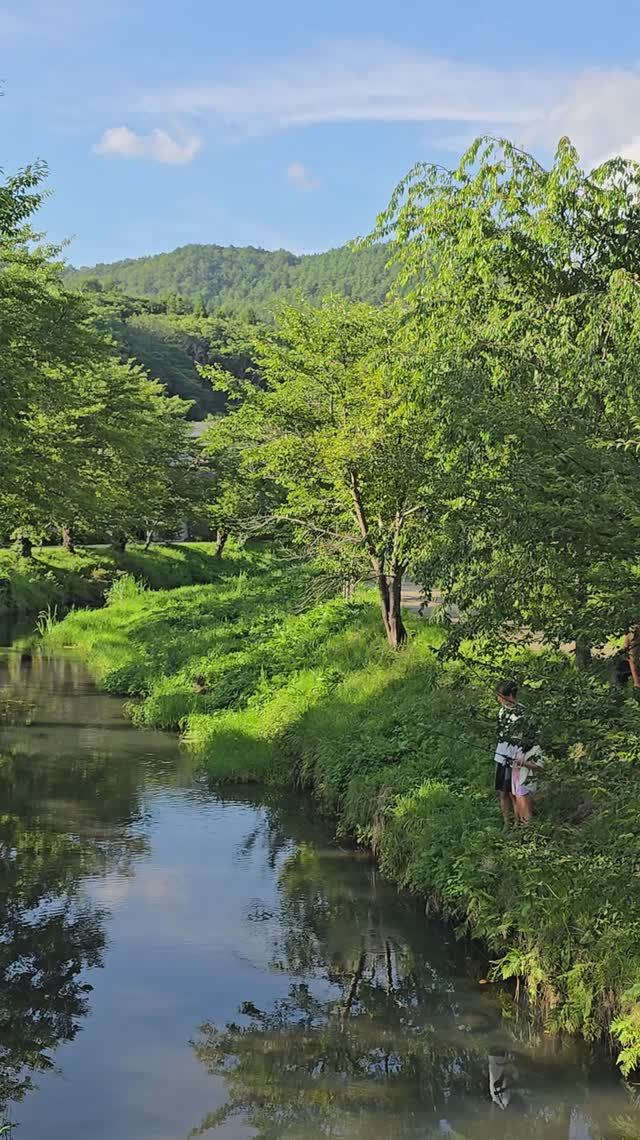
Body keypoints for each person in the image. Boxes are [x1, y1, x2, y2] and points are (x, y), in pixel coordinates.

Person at [494, 680, 544, 826]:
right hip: (500, 757)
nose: (499, 699)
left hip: (516, 759)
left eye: (501, 696)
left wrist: (522, 758)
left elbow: (529, 738)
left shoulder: (522, 713)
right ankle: (506, 822)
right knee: (503, 792)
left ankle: (518, 823)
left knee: (515, 792)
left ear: (510, 695)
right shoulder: (502, 711)